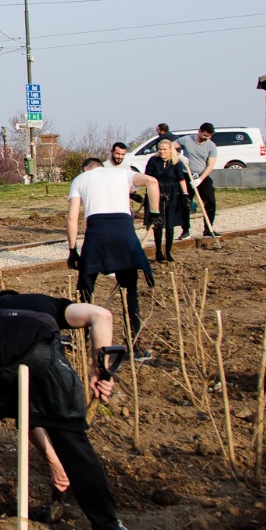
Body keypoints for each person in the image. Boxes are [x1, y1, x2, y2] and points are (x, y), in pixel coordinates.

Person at [0, 289, 147, 530]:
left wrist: (53, 463)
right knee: (71, 439)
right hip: (38, 351)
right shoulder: (49, 305)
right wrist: (99, 370)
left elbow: (27, 414)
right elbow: (101, 315)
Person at [68, 148, 159, 360]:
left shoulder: (80, 179)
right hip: (123, 233)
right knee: (131, 292)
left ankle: (83, 340)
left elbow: (73, 218)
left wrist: (73, 250)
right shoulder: (123, 173)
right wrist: (154, 213)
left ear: (86, 169)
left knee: (86, 289)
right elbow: (152, 182)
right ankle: (135, 346)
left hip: (97, 234)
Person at [143, 139, 192, 262]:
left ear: (170, 150)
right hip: (156, 192)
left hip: (172, 194)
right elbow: (147, 177)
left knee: (170, 224)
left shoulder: (175, 162)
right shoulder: (153, 161)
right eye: (160, 149)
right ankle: (158, 252)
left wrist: (185, 194)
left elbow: (181, 179)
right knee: (158, 223)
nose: (162, 152)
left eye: (165, 149)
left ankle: (168, 252)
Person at [178, 123, 220, 240]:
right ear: (199, 131)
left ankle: (208, 229)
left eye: (209, 136)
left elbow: (210, 165)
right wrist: (179, 156)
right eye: (205, 135)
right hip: (187, 175)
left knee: (210, 201)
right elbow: (169, 146)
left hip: (202, 177)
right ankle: (185, 230)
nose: (207, 138)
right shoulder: (186, 139)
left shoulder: (211, 146)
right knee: (185, 203)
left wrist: (200, 180)